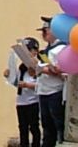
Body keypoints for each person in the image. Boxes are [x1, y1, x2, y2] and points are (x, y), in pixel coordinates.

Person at [4, 37, 41, 147]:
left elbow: (41, 85)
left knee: (34, 127)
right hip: (21, 101)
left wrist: (27, 85)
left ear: (35, 51)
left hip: (33, 101)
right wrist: (9, 76)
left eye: (29, 50)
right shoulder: (22, 67)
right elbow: (18, 83)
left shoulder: (40, 64)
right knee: (22, 127)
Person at [36, 18, 65, 147]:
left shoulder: (61, 48)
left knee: (57, 124)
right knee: (46, 125)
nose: (43, 34)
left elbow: (60, 70)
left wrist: (43, 69)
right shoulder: (45, 51)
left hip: (55, 91)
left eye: (45, 31)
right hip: (43, 91)